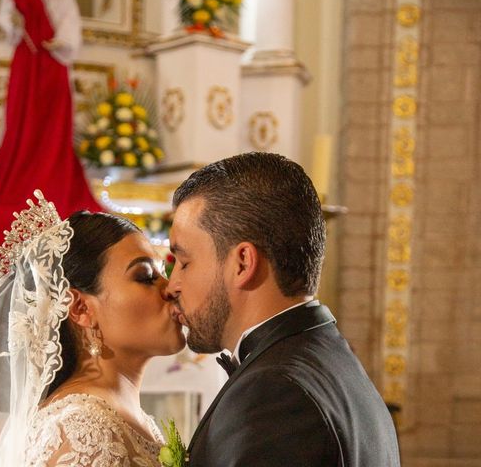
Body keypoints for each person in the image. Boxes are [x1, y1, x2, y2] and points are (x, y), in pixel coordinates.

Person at [167, 152, 401, 466]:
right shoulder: (333, 358)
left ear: (242, 263)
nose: (172, 285)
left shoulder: (274, 395)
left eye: (184, 263)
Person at [0, 190, 185, 466]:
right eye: (146, 276)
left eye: (163, 273)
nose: (170, 287)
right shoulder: (86, 430)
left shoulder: (116, 415)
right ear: (81, 309)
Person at [0, 0, 103, 265]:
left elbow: (69, 19)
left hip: (52, 63)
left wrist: (61, 40)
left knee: (53, 129)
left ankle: (51, 180)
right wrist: (14, 24)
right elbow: (6, 16)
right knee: (22, 125)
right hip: (26, 60)